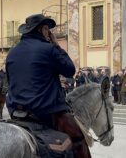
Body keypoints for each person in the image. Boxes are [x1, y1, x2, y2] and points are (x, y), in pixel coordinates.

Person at [5, 14, 90, 157]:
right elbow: (70, 70)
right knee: (78, 138)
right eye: (47, 30)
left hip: (15, 111)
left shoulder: (11, 53)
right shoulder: (48, 49)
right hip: (44, 111)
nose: (49, 33)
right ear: (42, 30)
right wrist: (56, 45)